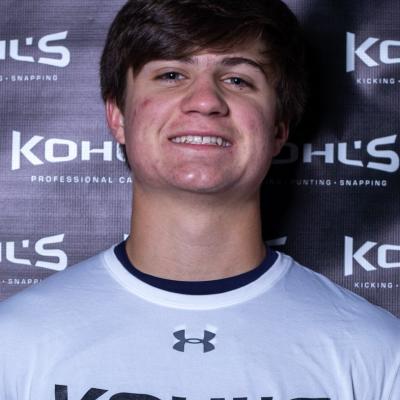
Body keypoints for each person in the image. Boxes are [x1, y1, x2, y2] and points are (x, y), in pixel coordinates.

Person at [0, 0, 399, 399]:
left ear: (278, 128)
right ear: (118, 116)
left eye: (238, 80)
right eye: (172, 75)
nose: (206, 101)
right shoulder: (15, 343)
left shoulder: (376, 352)